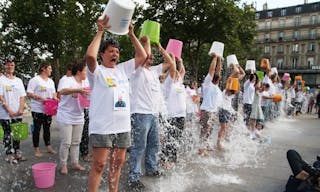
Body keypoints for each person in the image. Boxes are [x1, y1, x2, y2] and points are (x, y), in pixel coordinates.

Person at [86, 15, 147, 192]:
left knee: (118, 164)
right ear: (103, 54)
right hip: (102, 126)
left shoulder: (122, 70)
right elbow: (90, 56)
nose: (115, 54)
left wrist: (131, 35)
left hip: (122, 126)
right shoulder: (97, 72)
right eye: (111, 51)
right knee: (99, 164)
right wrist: (100, 31)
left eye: (117, 51)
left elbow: (143, 55)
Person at [128, 36, 173, 190]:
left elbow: (170, 63)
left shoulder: (154, 71)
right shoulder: (137, 70)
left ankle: (151, 169)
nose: (151, 57)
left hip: (153, 114)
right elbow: (144, 55)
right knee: (139, 146)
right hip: (140, 113)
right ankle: (133, 177)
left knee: (154, 144)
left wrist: (160, 46)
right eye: (149, 55)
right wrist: (147, 42)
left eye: (152, 56)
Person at [56, 59, 88, 175]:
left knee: (76, 141)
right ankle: (63, 164)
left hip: (79, 115)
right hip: (65, 115)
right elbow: (62, 91)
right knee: (66, 142)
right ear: (79, 72)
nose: (87, 73)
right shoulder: (67, 80)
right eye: (85, 71)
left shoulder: (86, 82)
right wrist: (78, 90)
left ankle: (75, 162)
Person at [27, 61, 57, 157]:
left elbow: (53, 93)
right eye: (49, 68)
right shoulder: (35, 80)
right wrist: (40, 98)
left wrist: (55, 98)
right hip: (37, 109)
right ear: (43, 68)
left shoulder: (51, 81)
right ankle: (37, 149)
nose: (51, 70)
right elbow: (29, 93)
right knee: (37, 129)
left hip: (48, 109)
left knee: (47, 128)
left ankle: (48, 147)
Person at [0, 58, 27, 163]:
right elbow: (0, 96)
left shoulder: (18, 80)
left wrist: (21, 108)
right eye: (8, 65)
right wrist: (8, 110)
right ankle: (9, 154)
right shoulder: (1, 80)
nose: (10, 67)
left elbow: (22, 96)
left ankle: (17, 152)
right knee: (7, 133)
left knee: (17, 133)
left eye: (12, 65)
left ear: (14, 67)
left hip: (17, 112)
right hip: (5, 113)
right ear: (5, 66)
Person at [198, 53, 222, 156]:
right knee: (204, 130)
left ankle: (206, 144)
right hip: (206, 110)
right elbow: (212, 70)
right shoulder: (208, 84)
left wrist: (220, 59)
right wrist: (215, 57)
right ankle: (201, 148)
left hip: (213, 111)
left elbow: (218, 71)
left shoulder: (216, 86)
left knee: (210, 130)